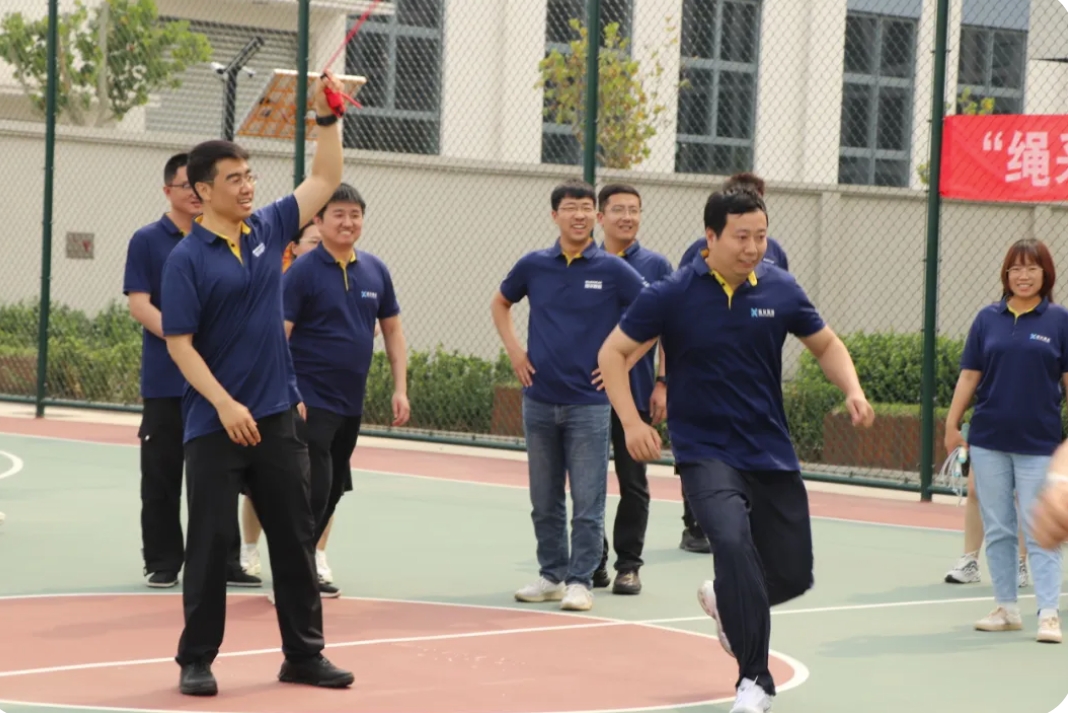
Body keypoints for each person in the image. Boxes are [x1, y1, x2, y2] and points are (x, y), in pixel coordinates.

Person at [597, 188, 875, 713]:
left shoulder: (780, 287)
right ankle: (754, 680)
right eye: (741, 237)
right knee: (730, 540)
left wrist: (853, 390)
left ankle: (729, 601)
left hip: (769, 448)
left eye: (761, 237)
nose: (753, 248)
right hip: (704, 450)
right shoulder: (673, 293)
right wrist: (631, 422)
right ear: (711, 236)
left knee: (789, 574)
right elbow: (613, 352)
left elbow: (826, 345)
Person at [160, 72, 354, 695]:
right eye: (234, 179)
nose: (248, 187)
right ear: (201, 191)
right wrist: (223, 404)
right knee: (210, 543)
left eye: (250, 176)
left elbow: (323, 178)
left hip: (274, 417)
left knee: (294, 541)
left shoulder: (269, 228)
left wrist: (328, 118)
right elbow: (179, 344)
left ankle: (304, 655)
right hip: (213, 423)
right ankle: (196, 660)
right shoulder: (186, 260)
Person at [491, 179, 648, 612]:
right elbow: (500, 303)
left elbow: (654, 316)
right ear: (554, 215)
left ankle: (580, 581)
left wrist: (624, 363)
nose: (578, 215)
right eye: (569, 208)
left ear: (595, 216)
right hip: (538, 400)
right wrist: (515, 352)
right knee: (544, 500)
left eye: (585, 208)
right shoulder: (534, 265)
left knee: (587, 501)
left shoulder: (613, 270)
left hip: (589, 405)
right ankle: (551, 575)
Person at [124, 152, 260, 590]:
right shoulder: (148, 240)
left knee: (220, 475)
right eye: (186, 186)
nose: (195, 193)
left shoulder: (228, 237)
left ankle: (226, 561)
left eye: (200, 185)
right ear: (169, 191)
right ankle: (163, 560)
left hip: (218, 382)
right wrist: (183, 335)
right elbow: (139, 304)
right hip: (167, 381)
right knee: (162, 474)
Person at [281, 183, 411, 600]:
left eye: (355, 215)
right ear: (318, 220)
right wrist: (289, 390)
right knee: (315, 487)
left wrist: (400, 388)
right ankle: (297, 573)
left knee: (333, 488)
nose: (348, 222)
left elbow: (392, 331)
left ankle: (300, 565)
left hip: (349, 402)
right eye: (338, 214)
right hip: (309, 401)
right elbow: (279, 335)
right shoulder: (302, 272)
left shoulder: (375, 270)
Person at [943, 238, 1064, 644]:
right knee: (998, 527)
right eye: (1016, 268)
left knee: (1039, 529)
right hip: (988, 440)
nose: (1023, 275)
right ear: (1006, 274)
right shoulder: (987, 319)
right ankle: (1007, 608)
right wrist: (952, 424)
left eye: (1031, 268)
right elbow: (969, 375)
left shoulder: (1059, 321)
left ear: (1045, 274)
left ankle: (1049, 615)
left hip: (1039, 444)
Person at [675, 172, 789, 556]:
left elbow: (781, 307)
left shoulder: (774, 256)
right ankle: (695, 523)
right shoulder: (698, 254)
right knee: (702, 453)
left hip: (753, 381)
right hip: (704, 379)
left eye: (755, 198)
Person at [593, 183, 672, 595]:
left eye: (634, 210)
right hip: (587, 395)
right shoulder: (585, 262)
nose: (627, 217)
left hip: (637, 394)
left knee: (633, 483)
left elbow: (671, 330)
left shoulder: (657, 266)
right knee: (587, 483)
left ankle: (628, 565)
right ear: (600, 217)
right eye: (618, 209)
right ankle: (593, 560)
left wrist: (663, 383)